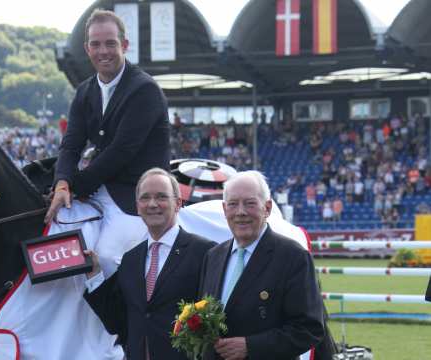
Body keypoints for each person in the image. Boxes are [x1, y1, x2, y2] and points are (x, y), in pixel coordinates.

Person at [45, 9, 170, 223]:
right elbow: (71, 145)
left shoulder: (144, 89)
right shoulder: (84, 91)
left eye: (110, 43)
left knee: (107, 253)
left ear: (125, 45)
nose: (103, 51)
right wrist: (62, 184)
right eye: (95, 44)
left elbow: (121, 151)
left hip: (140, 195)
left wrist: (75, 187)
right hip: (102, 188)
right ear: (87, 49)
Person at [84, 168, 215, 360]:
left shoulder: (205, 252)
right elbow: (117, 323)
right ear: (137, 207)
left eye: (161, 197)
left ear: (178, 203)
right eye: (145, 198)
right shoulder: (130, 260)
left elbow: (215, 320)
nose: (152, 204)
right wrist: (95, 276)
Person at [199, 171, 324, 360]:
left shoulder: (293, 256)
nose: (240, 212)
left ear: (267, 208)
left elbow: (309, 328)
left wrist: (251, 347)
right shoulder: (213, 256)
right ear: (224, 210)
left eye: (250, 203)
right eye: (233, 204)